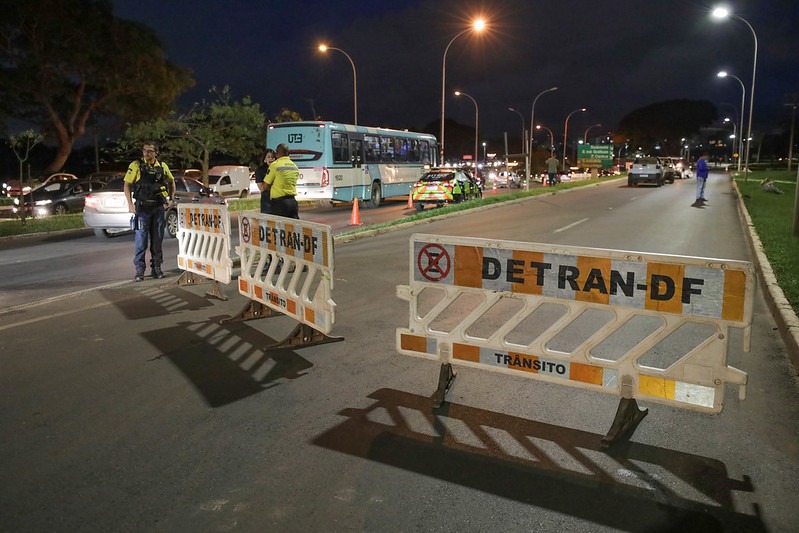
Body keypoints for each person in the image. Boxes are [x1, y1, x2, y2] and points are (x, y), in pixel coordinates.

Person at [124, 142, 176, 281]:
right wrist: (130, 204)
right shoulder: (136, 165)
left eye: (149, 151)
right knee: (141, 240)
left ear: (156, 153)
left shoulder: (162, 167)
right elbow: (127, 184)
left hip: (158, 208)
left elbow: (171, 182)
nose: (146, 153)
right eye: (144, 151)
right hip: (142, 208)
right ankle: (140, 271)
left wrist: (170, 199)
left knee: (157, 240)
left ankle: (157, 268)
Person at [264, 143, 299, 219]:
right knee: (293, 228)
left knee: (279, 229)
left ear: (277, 153)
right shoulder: (294, 166)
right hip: (293, 203)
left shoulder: (274, 165)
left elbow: (265, 186)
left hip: (279, 204)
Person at [254, 148, 276, 214]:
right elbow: (262, 188)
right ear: (264, 159)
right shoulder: (260, 170)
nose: (271, 159)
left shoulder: (277, 169)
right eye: (268, 157)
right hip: (267, 202)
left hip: (278, 201)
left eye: (272, 157)